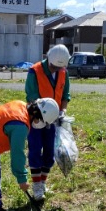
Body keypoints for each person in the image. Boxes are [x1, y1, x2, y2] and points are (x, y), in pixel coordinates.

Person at [25, 45, 71, 201]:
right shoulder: (35, 71)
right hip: (36, 115)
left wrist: (62, 112)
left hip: (54, 118)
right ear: (48, 59)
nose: (55, 70)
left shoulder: (63, 73)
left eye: (58, 68)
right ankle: (36, 186)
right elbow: (31, 96)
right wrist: (38, 117)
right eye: (53, 66)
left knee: (50, 153)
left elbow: (65, 95)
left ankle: (42, 182)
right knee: (35, 151)